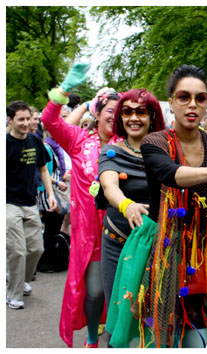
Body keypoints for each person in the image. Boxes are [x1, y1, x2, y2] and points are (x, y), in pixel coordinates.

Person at [139, 64, 207, 347]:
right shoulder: (154, 141)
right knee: (164, 331)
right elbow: (171, 174)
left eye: (200, 98)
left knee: (203, 333)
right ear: (171, 102)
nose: (192, 104)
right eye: (184, 97)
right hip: (165, 250)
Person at [41, 63, 122, 348]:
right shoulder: (79, 141)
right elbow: (49, 121)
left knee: (121, 293)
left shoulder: (128, 144)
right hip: (89, 234)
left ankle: (116, 339)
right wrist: (65, 90)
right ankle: (90, 338)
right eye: (110, 111)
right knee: (94, 292)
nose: (116, 117)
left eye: (120, 112)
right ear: (97, 114)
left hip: (122, 229)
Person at [97, 88, 166, 318]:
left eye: (141, 112)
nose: (134, 118)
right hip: (118, 244)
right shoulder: (111, 152)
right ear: (120, 117)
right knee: (120, 315)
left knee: (153, 316)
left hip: (156, 245)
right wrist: (127, 205)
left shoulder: (165, 151)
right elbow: (109, 186)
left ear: (152, 116)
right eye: (127, 112)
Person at [6, 100, 57, 309]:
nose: (26, 123)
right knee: (17, 250)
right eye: (21, 120)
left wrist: (51, 194)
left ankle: (19, 277)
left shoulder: (35, 141)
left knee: (37, 248)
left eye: (28, 118)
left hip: (30, 202)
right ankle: (13, 295)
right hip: (8, 203)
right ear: (10, 120)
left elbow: (44, 170)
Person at [36, 124, 69, 273]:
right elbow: (43, 172)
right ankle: (45, 262)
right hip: (47, 194)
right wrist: (57, 182)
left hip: (52, 191)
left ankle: (50, 260)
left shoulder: (56, 147)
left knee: (53, 227)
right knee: (50, 228)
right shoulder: (46, 147)